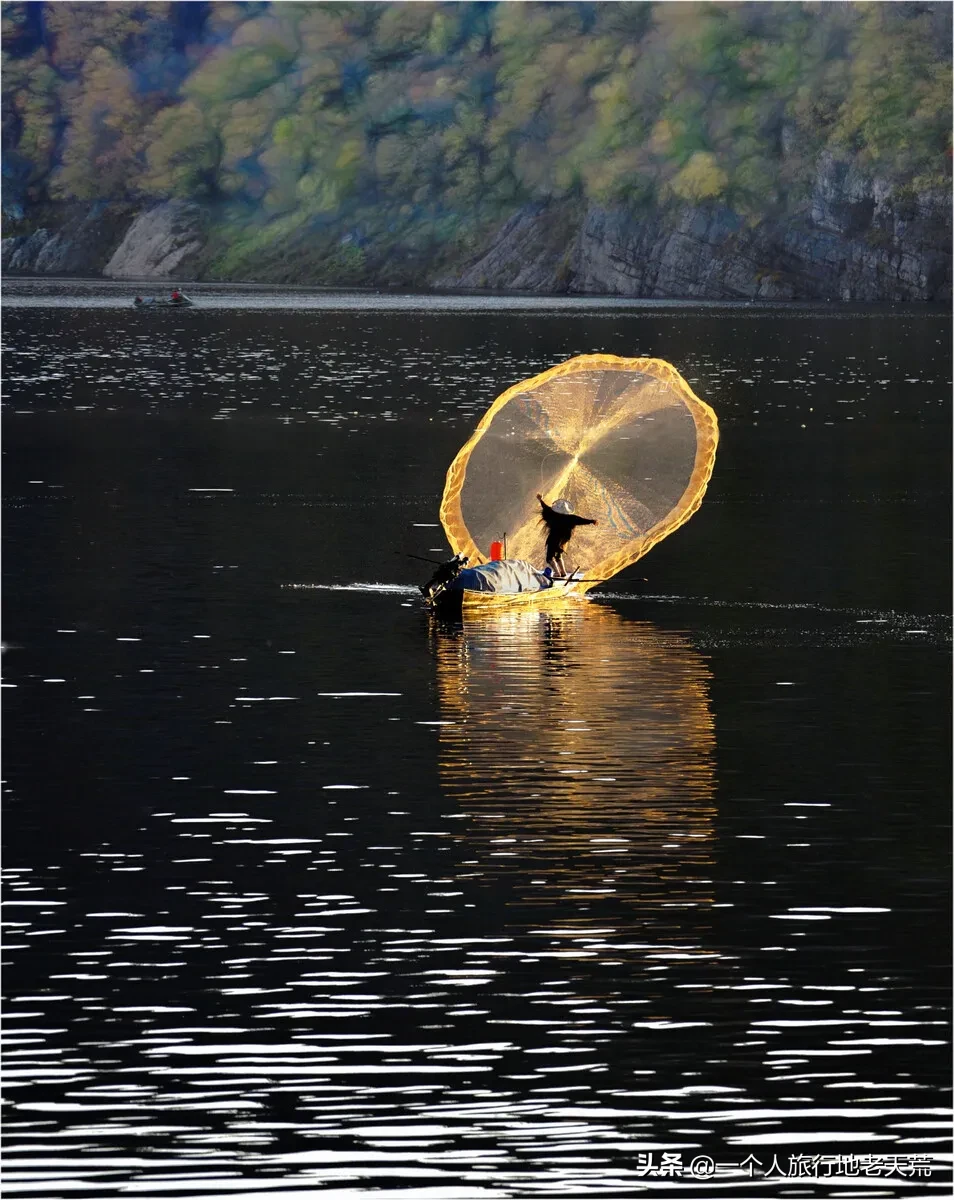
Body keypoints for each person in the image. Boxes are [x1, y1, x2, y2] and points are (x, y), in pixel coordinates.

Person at [536, 493, 597, 578]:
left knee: (549, 557)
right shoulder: (571, 518)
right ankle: (563, 572)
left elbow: (545, 508)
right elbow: (580, 520)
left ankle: (557, 573)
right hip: (564, 538)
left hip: (554, 537)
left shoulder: (553, 514)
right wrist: (592, 521)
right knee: (558, 554)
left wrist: (540, 499)